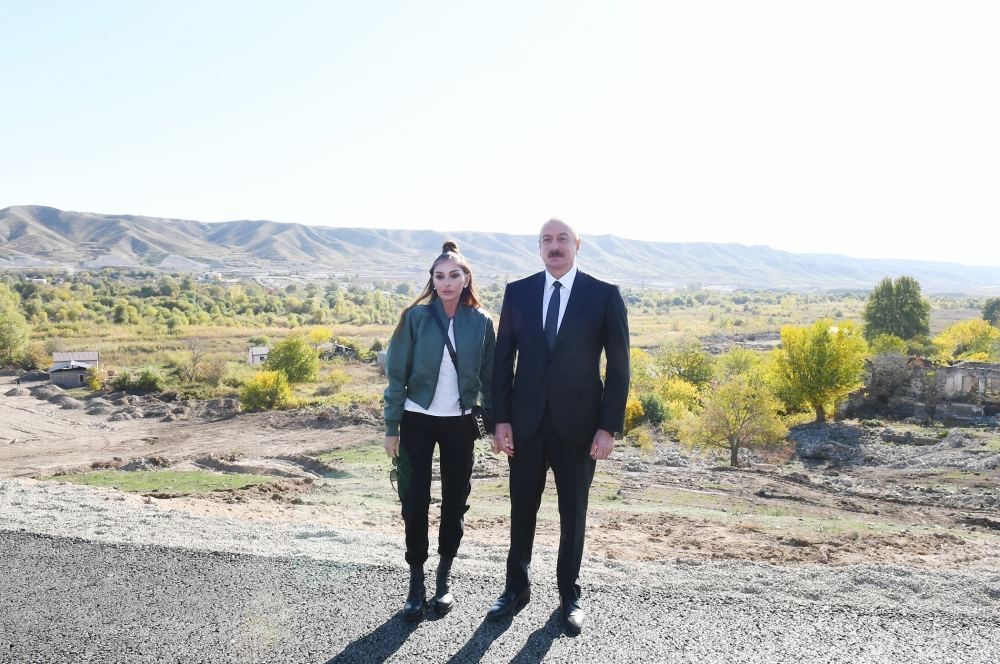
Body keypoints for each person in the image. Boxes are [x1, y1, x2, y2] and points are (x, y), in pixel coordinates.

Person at [486, 218, 630, 635]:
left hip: (580, 430)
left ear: (577, 245)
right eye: (547, 240)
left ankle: (570, 595)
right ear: (539, 247)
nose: (555, 246)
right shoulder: (518, 293)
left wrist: (608, 427)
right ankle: (516, 589)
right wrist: (501, 420)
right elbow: (502, 362)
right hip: (526, 426)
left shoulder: (604, 296)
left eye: (562, 239)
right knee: (521, 512)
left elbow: (619, 368)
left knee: (574, 514)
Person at [383, 241, 496, 622]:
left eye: (454, 275)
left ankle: (444, 580)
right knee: (414, 500)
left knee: (455, 501)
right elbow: (396, 375)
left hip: (460, 424)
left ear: (467, 279)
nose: (446, 282)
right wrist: (391, 426)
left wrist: (494, 425)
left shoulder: (481, 322)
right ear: (431, 280)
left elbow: (490, 379)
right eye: (439, 276)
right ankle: (416, 582)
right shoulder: (415, 318)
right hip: (416, 420)